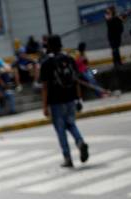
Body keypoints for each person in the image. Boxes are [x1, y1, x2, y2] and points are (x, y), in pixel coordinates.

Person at [39, 35, 89, 168]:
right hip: (70, 98)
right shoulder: (70, 59)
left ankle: (68, 158)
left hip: (55, 102)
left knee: (60, 130)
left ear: (48, 46)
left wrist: (44, 106)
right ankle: (80, 142)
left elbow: (45, 87)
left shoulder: (46, 63)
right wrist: (79, 98)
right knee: (71, 124)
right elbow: (76, 81)